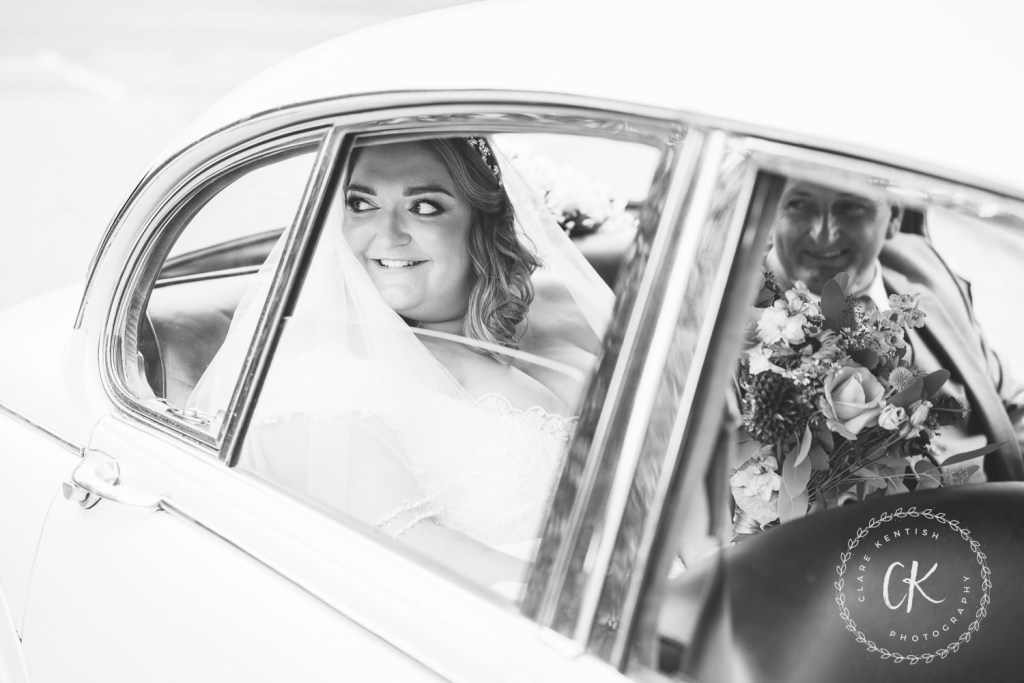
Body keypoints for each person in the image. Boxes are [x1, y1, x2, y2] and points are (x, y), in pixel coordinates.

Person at [188, 135, 614, 589]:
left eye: (423, 207)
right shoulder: (318, 366)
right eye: (361, 204)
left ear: (481, 221)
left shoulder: (558, 317)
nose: (389, 234)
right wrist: (607, 598)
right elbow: (402, 550)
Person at [765, 178, 1024, 480]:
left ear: (894, 216)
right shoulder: (737, 326)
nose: (824, 233)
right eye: (798, 204)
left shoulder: (924, 265)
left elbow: (1007, 402)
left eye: (850, 206)